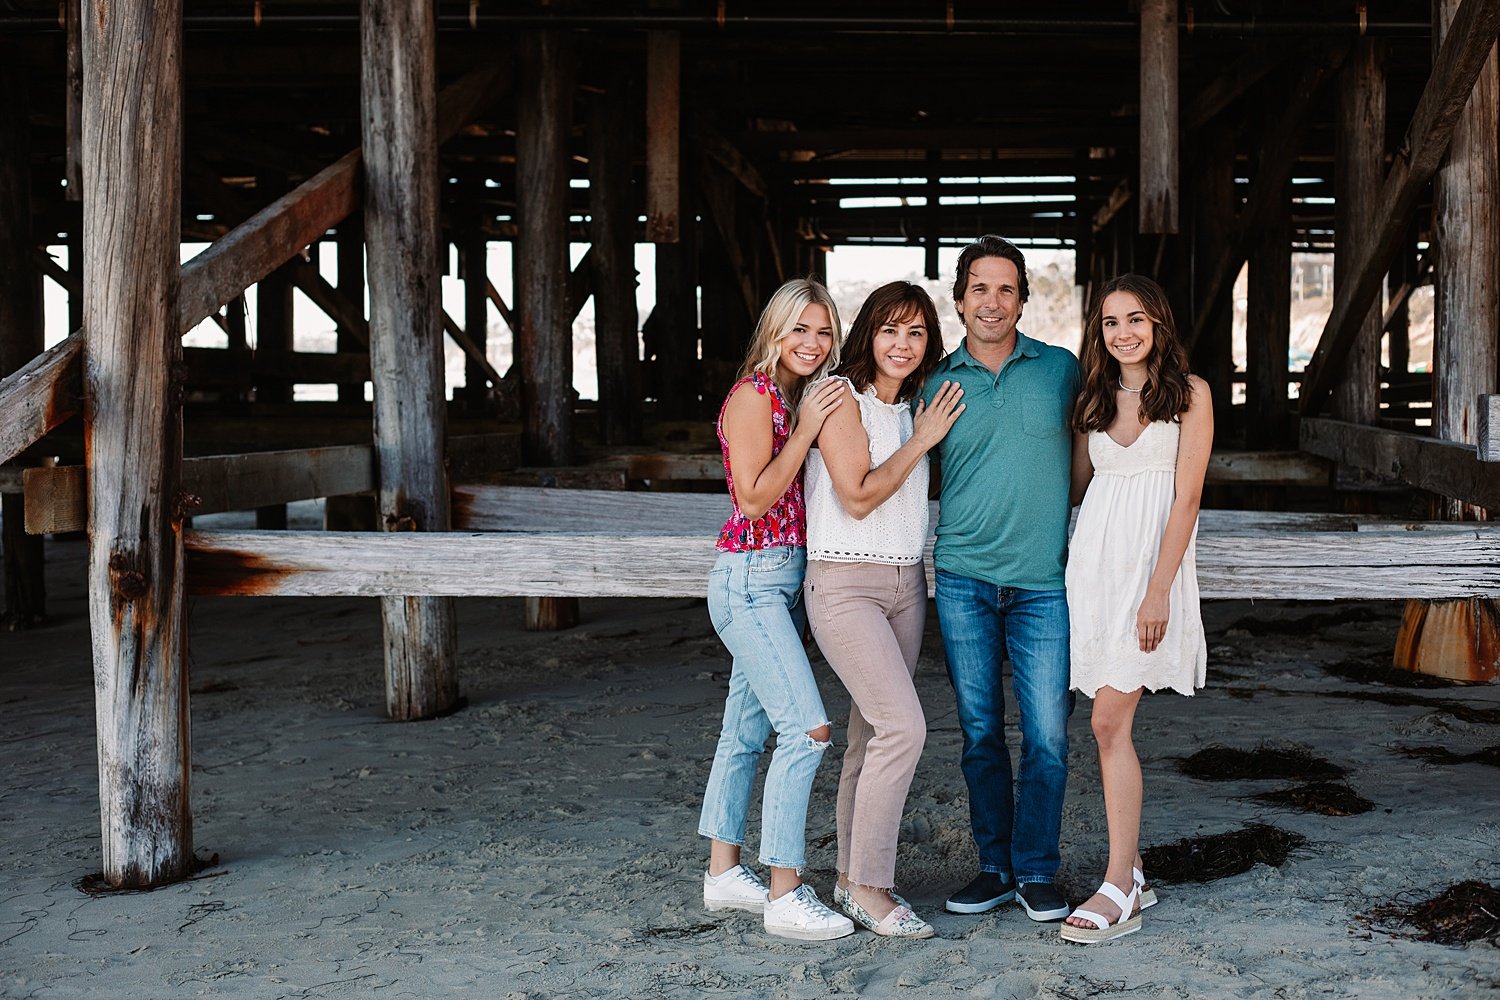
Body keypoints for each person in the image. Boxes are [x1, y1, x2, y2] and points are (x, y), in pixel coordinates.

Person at [920, 235, 1081, 923]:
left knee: (1048, 735)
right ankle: (994, 867)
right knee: (981, 730)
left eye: (1006, 288)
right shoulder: (933, 381)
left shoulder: (1061, 371)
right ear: (958, 300)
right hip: (963, 580)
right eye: (978, 288)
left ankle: (1037, 870)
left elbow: (1105, 442)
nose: (992, 301)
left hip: (1044, 583)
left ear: (1023, 297)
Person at [802, 282, 966, 939]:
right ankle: (872, 886)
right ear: (868, 333)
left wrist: (923, 430)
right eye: (890, 330)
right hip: (845, 585)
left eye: (917, 332)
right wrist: (924, 440)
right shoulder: (843, 398)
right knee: (905, 727)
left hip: (906, 584)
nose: (902, 344)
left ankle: (849, 878)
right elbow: (861, 495)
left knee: (870, 737)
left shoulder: (913, 407)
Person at [697, 277, 856, 941]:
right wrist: (809, 429)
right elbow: (757, 498)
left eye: (823, 332)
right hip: (750, 581)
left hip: (780, 582)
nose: (812, 343)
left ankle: (723, 873)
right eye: (800, 330)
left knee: (746, 733)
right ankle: (785, 892)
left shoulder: (794, 398)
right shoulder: (752, 397)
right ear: (774, 332)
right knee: (809, 731)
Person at [1059, 274, 1211, 944]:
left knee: (1106, 720)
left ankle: (1121, 879)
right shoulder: (1092, 397)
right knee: (1103, 720)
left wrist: (1159, 589)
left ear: (1159, 326)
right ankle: (1133, 875)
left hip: (1150, 578)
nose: (1123, 333)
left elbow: (1187, 501)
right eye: (1111, 322)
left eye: (1136, 320)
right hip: (1092, 572)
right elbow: (1075, 488)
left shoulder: (1190, 395)